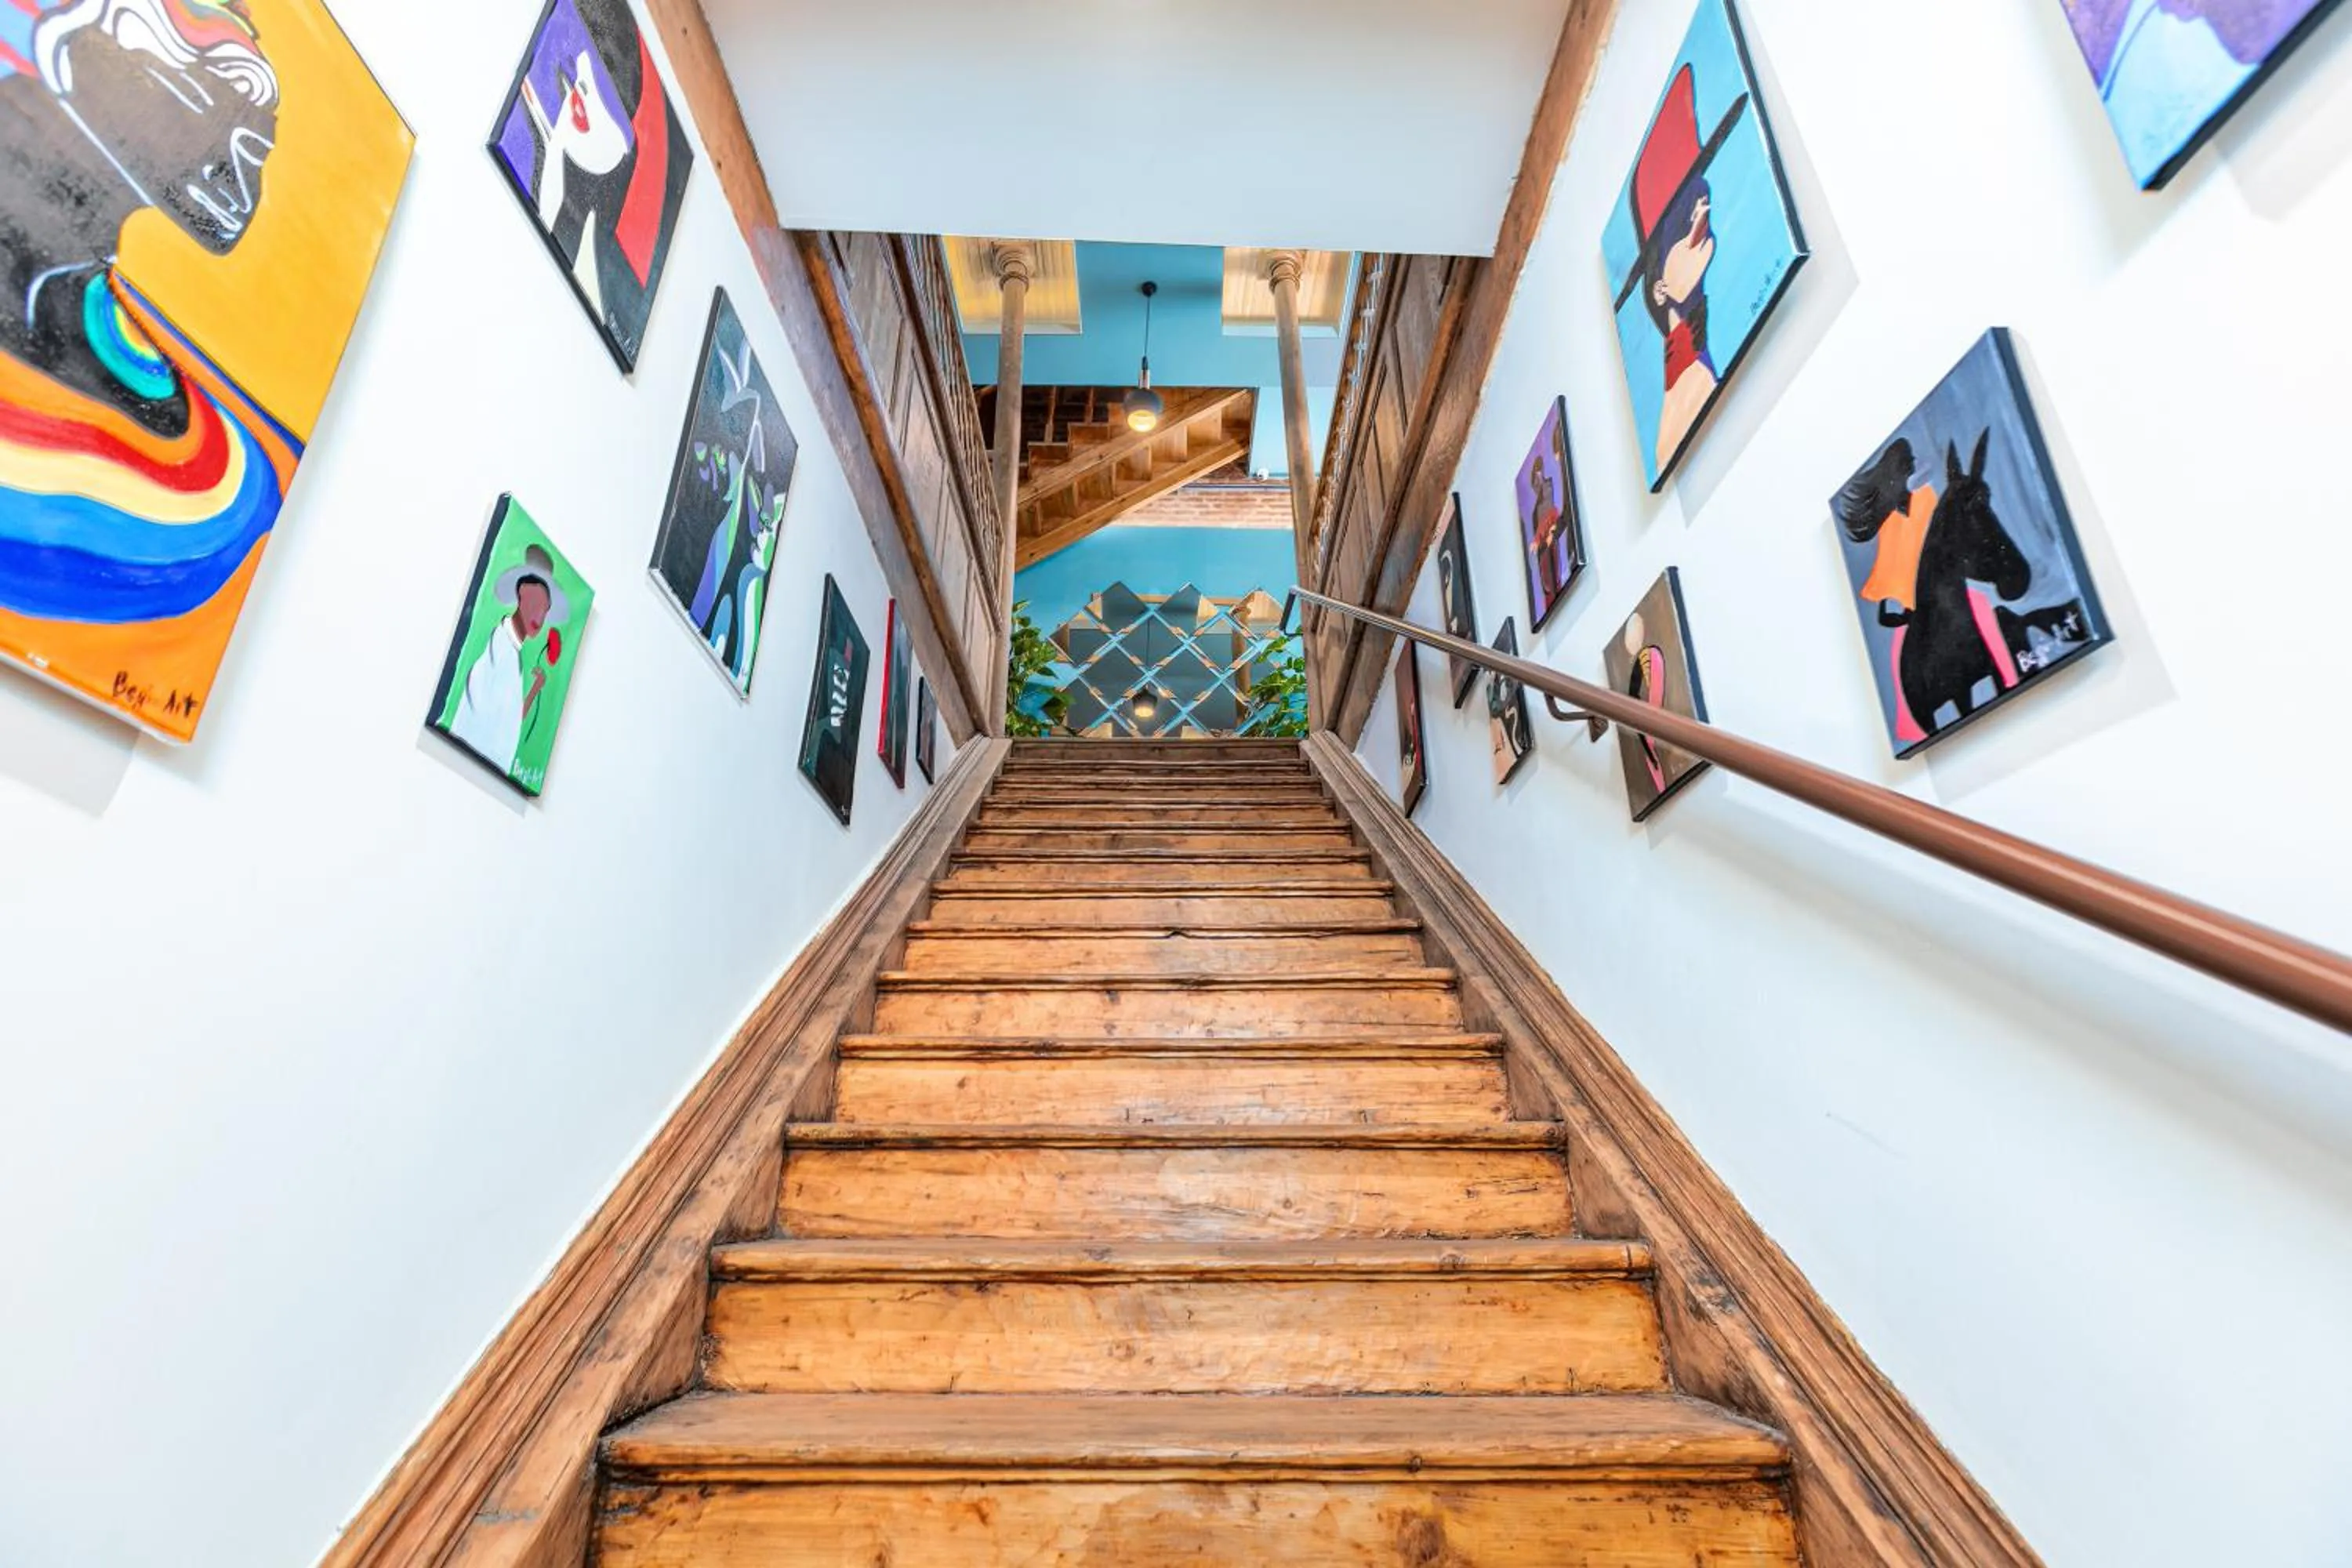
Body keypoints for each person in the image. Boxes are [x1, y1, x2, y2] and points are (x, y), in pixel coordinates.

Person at [0, 0, 292, 635]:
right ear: (92, 48)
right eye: (231, 108)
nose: (244, 182)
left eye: (258, 147)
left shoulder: (236, 465)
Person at [1611, 64, 1750, 480]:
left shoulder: (1690, 378)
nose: (1702, 219)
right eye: (1687, 219)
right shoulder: (1685, 391)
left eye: (1703, 205)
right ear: (1659, 288)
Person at [450, 546, 567, 777]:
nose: (540, 618)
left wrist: (535, 688)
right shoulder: (501, 647)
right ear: (521, 595)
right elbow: (485, 718)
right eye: (536, 604)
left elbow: (511, 719)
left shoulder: (513, 654)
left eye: (545, 611)